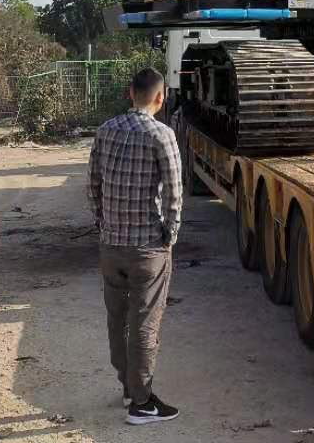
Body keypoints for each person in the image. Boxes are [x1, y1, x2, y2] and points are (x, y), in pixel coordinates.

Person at [87, 68, 183, 425]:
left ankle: (129, 387)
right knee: (144, 323)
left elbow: (93, 184)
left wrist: (103, 224)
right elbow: (174, 190)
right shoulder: (162, 135)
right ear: (162, 97)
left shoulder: (105, 130)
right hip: (147, 248)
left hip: (111, 245)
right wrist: (169, 235)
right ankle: (142, 403)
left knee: (118, 320)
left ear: (130, 93)